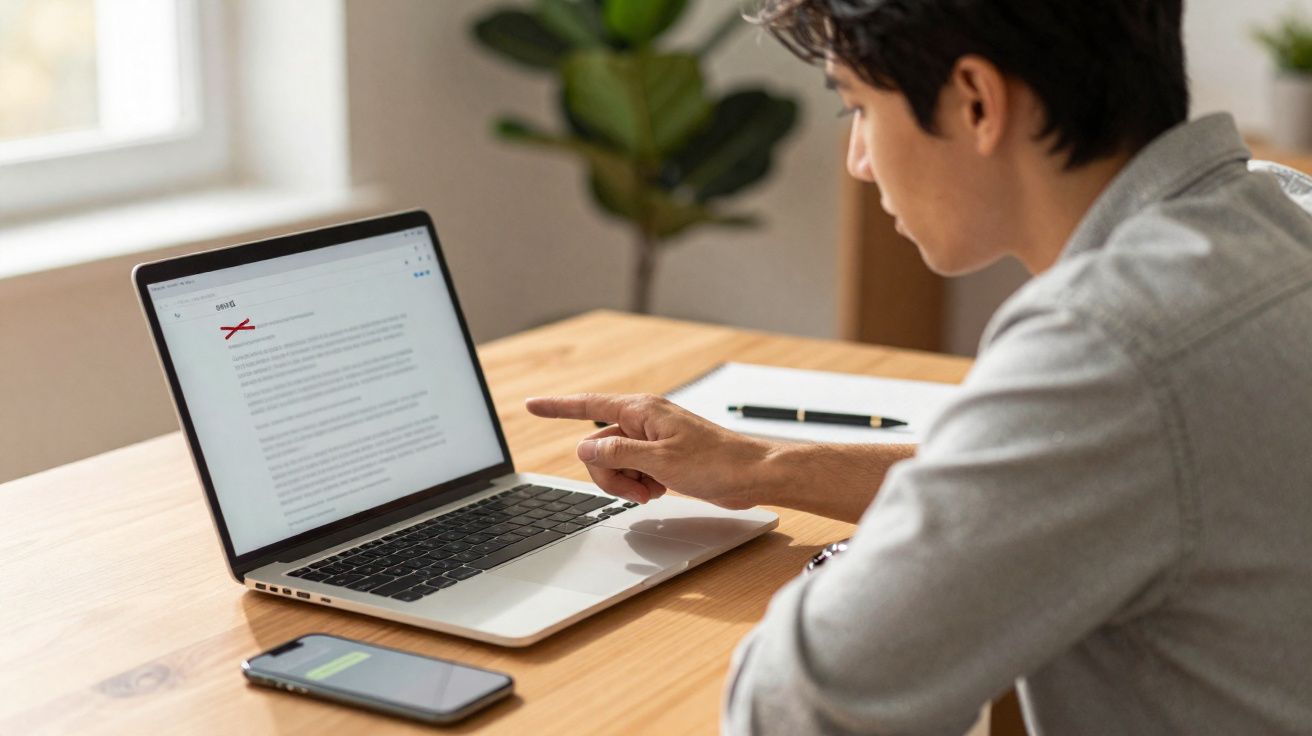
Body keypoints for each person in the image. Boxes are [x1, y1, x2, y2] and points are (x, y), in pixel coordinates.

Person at [528, 0, 1312, 733]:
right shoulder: (1281, 214)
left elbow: (795, 712)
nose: (860, 161)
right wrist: (761, 465)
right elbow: (1072, 481)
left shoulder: (1107, 345)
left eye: (858, 107)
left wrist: (888, 578)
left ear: (975, 99)